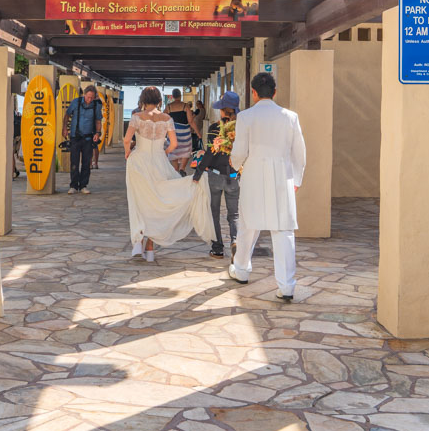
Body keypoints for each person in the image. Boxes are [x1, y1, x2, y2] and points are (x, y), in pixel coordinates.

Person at [228, 72, 306, 301]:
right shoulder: (290, 117)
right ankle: (287, 286)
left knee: (247, 225)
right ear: (275, 92)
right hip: (282, 177)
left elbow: (240, 151)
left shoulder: (246, 117)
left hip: (253, 175)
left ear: (253, 93)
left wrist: (236, 164)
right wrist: (297, 180)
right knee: (283, 231)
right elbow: (299, 153)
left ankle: (241, 270)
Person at [124, 87, 214, 262]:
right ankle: (149, 248)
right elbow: (173, 144)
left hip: (139, 162)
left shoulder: (136, 117)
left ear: (143, 100)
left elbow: (127, 139)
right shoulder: (167, 119)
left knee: (138, 200)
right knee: (157, 200)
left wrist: (127, 153)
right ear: (159, 101)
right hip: (159, 161)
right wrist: (163, 154)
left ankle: (137, 241)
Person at [192, 91, 240, 258]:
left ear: (222, 110)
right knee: (234, 215)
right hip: (234, 176)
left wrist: (198, 173)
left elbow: (209, 154)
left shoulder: (215, 128)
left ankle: (218, 248)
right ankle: (235, 242)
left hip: (215, 176)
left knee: (214, 213)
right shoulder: (241, 128)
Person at [63, 86, 103, 195]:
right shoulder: (76, 102)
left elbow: (98, 121)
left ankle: (83, 185)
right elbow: (67, 115)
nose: (89, 100)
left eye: (92, 98)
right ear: (84, 94)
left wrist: (98, 133)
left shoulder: (97, 106)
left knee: (86, 163)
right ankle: (73, 185)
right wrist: (64, 128)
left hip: (88, 138)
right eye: (88, 97)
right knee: (74, 162)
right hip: (75, 137)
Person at [165, 89, 200, 174]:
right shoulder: (185, 106)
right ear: (180, 95)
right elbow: (191, 121)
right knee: (186, 150)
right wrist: (198, 133)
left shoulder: (168, 107)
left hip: (173, 133)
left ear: (173, 96)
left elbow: (164, 120)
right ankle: (182, 169)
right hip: (185, 133)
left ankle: (176, 169)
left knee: (174, 150)